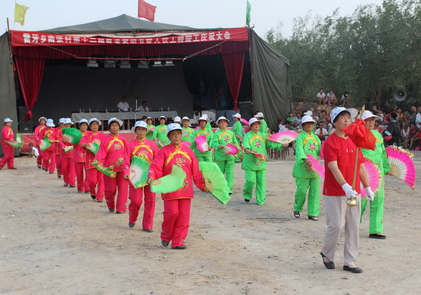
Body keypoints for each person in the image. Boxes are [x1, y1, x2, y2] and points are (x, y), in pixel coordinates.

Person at [320, 107, 374, 274]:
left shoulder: (354, 140)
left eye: (347, 117)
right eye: (342, 117)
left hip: (354, 191)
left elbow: (361, 166)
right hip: (336, 190)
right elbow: (333, 168)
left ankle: (350, 261)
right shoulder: (330, 143)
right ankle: (327, 254)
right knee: (336, 225)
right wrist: (344, 185)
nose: (346, 120)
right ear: (334, 122)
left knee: (353, 226)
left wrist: (367, 186)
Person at [148, 123, 207, 249]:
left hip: (185, 189)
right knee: (172, 213)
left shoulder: (188, 151)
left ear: (182, 135)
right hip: (170, 188)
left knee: (183, 216)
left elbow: (196, 171)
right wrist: (152, 176)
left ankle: (178, 241)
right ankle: (166, 234)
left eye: (178, 133)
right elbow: (155, 166)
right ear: (169, 136)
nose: (176, 136)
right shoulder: (163, 151)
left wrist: (202, 185)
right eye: (173, 134)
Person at [360, 111, 390, 239]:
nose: (371, 122)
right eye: (368, 120)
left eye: (373, 120)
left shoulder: (378, 135)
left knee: (378, 200)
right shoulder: (358, 135)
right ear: (362, 122)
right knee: (361, 201)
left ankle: (375, 230)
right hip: (364, 171)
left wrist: (385, 167)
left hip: (378, 171)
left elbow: (382, 153)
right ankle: (353, 225)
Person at [242, 118, 284, 205]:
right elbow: (246, 144)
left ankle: (260, 200)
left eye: (258, 124)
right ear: (251, 126)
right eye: (254, 124)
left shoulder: (263, 135)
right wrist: (247, 149)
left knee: (261, 182)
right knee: (250, 181)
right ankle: (247, 194)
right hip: (250, 161)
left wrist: (281, 145)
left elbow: (270, 144)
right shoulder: (247, 135)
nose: (257, 125)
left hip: (261, 161)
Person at [126, 121, 158, 231]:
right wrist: (126, 173)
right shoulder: (130, 145)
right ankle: (132, 218)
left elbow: (157, 160)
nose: (141, 131)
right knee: (136, 201)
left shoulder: (152, 144)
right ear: (135, 131)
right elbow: (126, 161)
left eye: (143, 129)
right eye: (139, 129)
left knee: (150, 201)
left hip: (150, 175)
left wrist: (155, 173)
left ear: (146, 131)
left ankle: (147, 225)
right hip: (136, 176)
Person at [95, 118, 129, 213]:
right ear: (109, 127)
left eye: (117, 125)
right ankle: (110, 205)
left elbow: (128, 153)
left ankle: (121, 208)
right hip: (109, 169)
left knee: (123, 189)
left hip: (122, 168)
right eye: (113, 125)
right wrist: (98, 161)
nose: (115, 127)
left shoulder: (123, 140)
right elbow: (101, 153)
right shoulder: (105, 139)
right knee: (110, 189)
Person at [292, 115, 322, 220]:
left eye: (311, 123)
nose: (309, 125)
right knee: (302, 191)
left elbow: (320, 151)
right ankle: (297, 208)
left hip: (314, 168)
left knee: (315, 192)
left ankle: (313, 213)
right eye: (307, 123)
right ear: (303, 125)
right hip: (302, 168)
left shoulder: (316, 138)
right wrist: (306, 160)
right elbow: (299, 150)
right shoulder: (300, 137)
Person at [211, 116, 239, 194]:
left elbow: (235, 142)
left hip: (230, 156)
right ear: (218, 124)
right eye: (221, 122)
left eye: (224, 122)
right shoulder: (217, 133)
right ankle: (218, 187)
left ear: (227, 123)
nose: (223, 124)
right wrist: (218, 145)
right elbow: (213, 143)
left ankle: (229, 189)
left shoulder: (231, 133)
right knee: (220, 173)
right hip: (220, 156)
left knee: (230, 173)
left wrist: (237, 149)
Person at [81, 118, 105, 201]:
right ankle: (92, 191)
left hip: (101, 161)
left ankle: (100, 197)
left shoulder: (102, 136)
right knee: (93, 181)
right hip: (91, 161)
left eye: (96, 124)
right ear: (90, 126)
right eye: (93, 124)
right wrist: (84, 145)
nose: (95, 126)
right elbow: (82, 145)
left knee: (101, 180)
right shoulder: (86, 136)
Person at [73, 119, 90, 193]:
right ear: (79, 126)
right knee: (79, 173)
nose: (84, 126)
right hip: (78, 156)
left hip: (88, 156)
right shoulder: (76, 134)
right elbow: (71, 143)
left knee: (88, 173)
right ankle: (80, 187)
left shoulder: (90, 133)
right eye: (82, 125)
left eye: (85, 125)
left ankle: (87, 188)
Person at [61, 118, 76, 188]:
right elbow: (59, 141)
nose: (67, 125)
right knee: (65, 168)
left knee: (72, 169)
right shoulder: (61, 132)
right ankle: (66, 181)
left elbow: (76, 142)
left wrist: (72, 146)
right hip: (64, 153)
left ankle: (72, 182)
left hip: (72, 153)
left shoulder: (74, 132)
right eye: (65, 124)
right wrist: (63, 146)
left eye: (68, 124)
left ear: (70, 124)